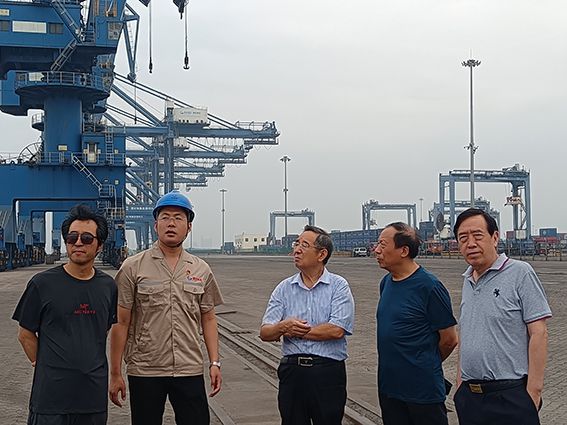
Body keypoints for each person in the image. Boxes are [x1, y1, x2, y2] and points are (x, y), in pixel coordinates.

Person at [109, 189, 223, 425]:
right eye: (165, 217)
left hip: (189, 368)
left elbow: (209, 318)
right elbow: (121, 322)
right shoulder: (132, 267)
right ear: (155, 225)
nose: (171, 223)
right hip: (145, 369)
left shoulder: (201, 269)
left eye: (178, 218)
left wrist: (214, 362)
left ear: (188, 227)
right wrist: (115, 372)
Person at [12, 205, 117, 425]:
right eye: (72, 237)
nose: (78, 242)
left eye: (87, 238)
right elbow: (25, 334)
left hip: (92, 399)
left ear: (99, 245)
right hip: (50, 402)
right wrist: (44, 364)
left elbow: (103, 330)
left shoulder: (108, 286)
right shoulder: (42, 284)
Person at [453, 208, 552, 425]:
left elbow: (539, 333)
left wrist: (532, 394)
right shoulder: (468, 280)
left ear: (495, 237)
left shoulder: (520, 273)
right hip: (470, 398)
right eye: (463, 238)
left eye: (477, 236)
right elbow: (466, 335)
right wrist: (460, 386)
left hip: (510, 397)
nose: (470, 243)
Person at [260, 225, 355, 425]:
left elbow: (336, 329)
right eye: (296, 244)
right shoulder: (284, 288)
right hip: (292, 373)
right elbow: (266, 332)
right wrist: (283, 327)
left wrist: (293, 330)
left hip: (328, 373)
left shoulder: (338, 286)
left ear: (322, 254)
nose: (296, 250)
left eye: (304, 245)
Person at [375, 222, 458, 425]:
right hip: (389, 388)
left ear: (404, 251)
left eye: (383, 245)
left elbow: (449, 339)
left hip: (422, 392)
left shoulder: (430, 287)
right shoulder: (386, 283)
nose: (376, 250)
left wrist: (423, 362)